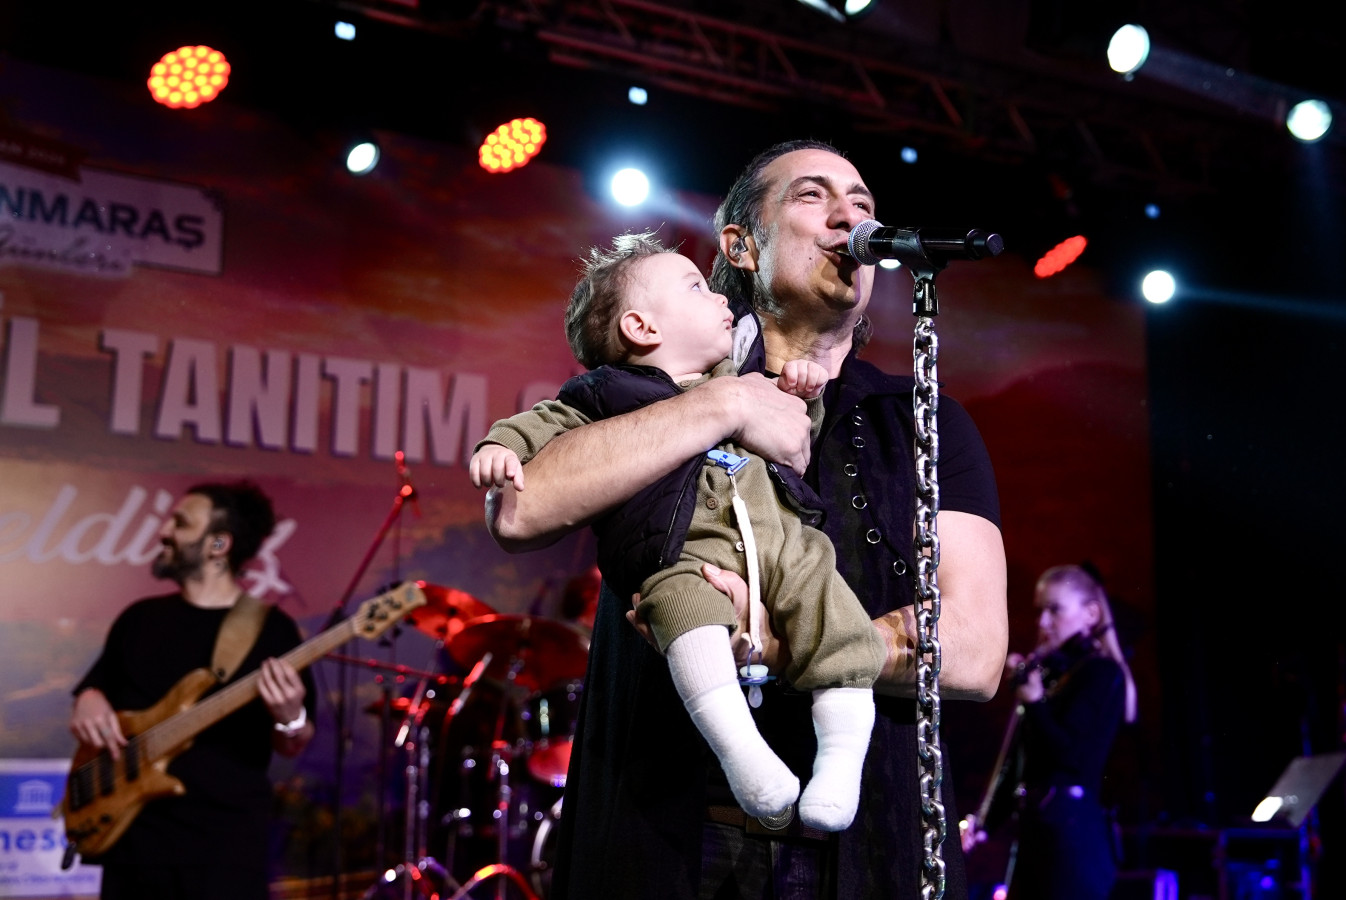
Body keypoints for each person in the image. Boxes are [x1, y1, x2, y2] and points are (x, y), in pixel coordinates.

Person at [478, 140, 1007, 899]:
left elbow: (978, 652)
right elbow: (519, 508)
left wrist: (778, 647)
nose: (850, 216)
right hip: (666, 839)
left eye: (862, 202)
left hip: (870, 848)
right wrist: (726, 401)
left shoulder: (926, 421)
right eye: (813, 196)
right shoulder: (647, 388)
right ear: (740, 246)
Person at [471, 233, 886, 831]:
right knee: (681, 608)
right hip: (681, 553)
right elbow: (536, 425)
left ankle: (840, 769)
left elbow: (797, 436)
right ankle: (745, 757)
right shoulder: (603, 394)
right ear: (641, 328)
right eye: (696, 287)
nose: (718, 297)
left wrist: (804, 392)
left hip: (783, 541)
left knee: (837, 617)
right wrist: (496, 448)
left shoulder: (743, 376)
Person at [68, 481, 316, 900]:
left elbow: (293, 743)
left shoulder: (273, 630)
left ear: (219, 544)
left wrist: (290, 716)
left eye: (180, 523)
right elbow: (96, 691)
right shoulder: (138, 619)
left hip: (223, 849)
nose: (164, 531)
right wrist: (88, 700)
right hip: (133, 842)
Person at [962, 565, 1136, 900]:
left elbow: (1071, 756)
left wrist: (1036, 702)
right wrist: (985, 823)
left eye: (1055, 610)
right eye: (1040, 610)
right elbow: (1019, 758)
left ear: (1090, 614)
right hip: (1035, 834)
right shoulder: (1050, 673)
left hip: (1071, 843)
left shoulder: (1101, 673)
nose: (1043, 622)